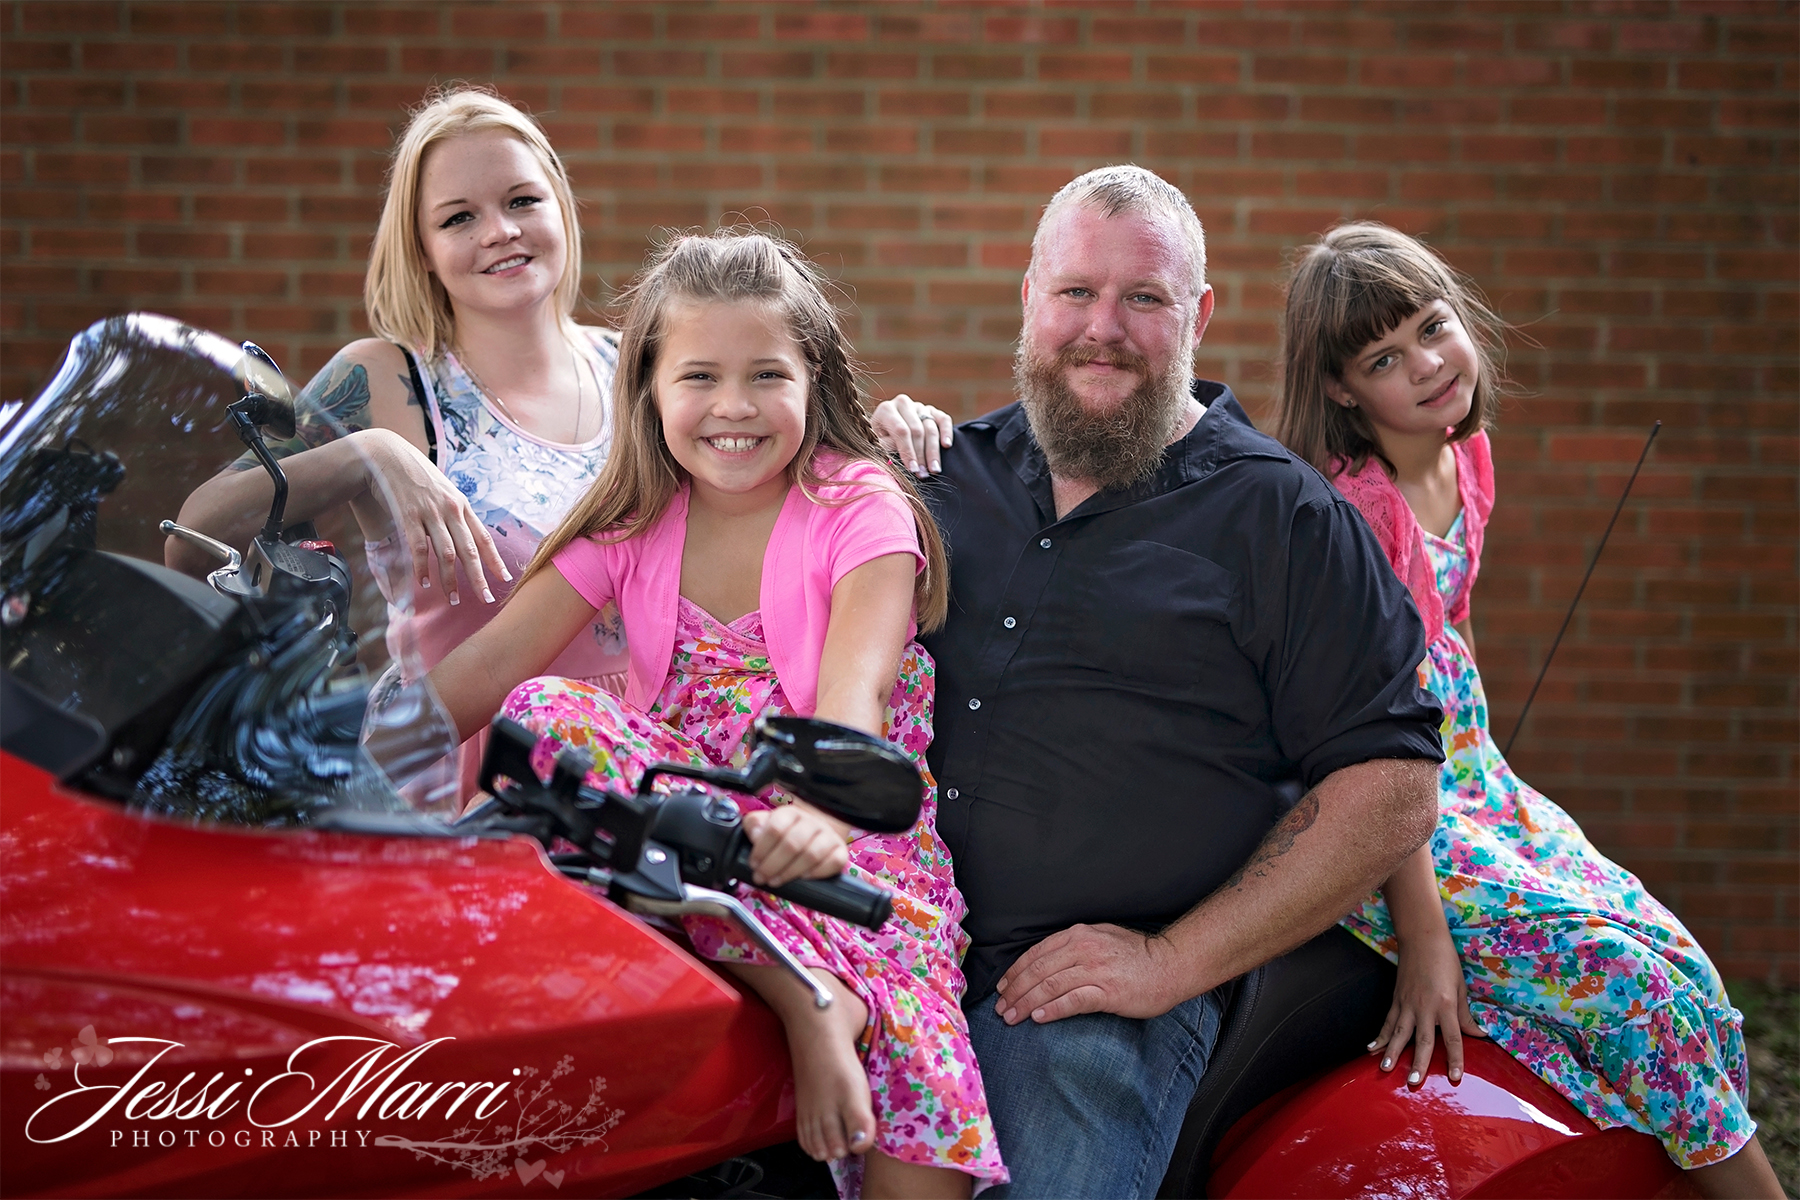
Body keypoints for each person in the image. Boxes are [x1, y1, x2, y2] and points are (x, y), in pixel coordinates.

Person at [873, 165, 1445, 1198]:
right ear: (1030, 297)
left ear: (1199, 315)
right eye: (1076, 292)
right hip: (894, 952)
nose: (1104, 327)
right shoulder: (940, 476)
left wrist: (1168, 964)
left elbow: (1392, 784)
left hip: (1086, 1000)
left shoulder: (1284, 517)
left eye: (1143, 298)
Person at [428, 230, 1006, 1200]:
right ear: (649, 386)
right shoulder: (629, 527)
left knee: (924, 1142)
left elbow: (854, 699)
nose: (732, 408)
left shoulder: (861, 506)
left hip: (848, 851)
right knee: (549, 713)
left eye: (764, 375)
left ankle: (842, 997)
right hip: (693, 842)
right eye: (699, 375)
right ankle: (806, 996)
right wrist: (307, 759)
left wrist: (816, 817)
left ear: (813, 383)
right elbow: (482, 673)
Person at [1270, 221, 1783, 1199]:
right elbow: (1366, 742)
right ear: (1340, 389)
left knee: (1677, 961)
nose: (1427, 365)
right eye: (1385, 357)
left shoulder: (1465, 459)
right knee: (1622, 984)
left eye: (1433, 326)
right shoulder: (1356, 514)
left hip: (1469, 770)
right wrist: (1425, 939)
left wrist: (1496, 774)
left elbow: (1445, 631)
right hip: (1378, 804)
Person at [168, 86, 626, 798]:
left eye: (522, 201)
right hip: (454, 770)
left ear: (561, 206)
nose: (499, 231)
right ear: (424, 249)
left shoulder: (642, 370)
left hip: (641, 761)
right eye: (459, 217)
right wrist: (366, 455)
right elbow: (193, 535)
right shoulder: (383, 377)